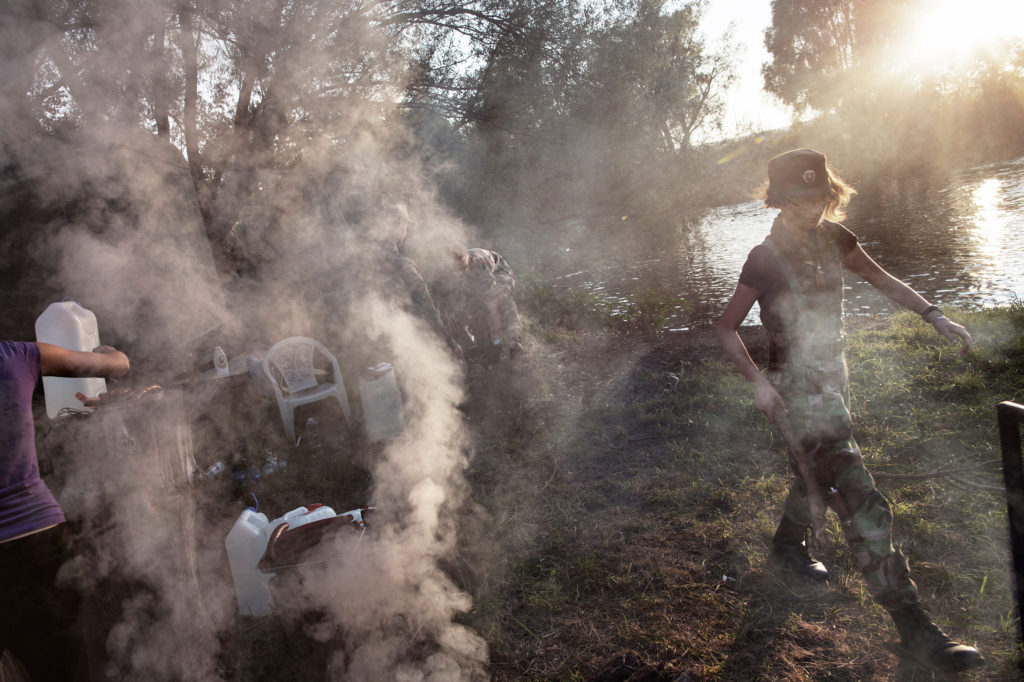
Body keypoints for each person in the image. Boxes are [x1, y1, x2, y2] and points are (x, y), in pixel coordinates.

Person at [715, 149, 982, 673]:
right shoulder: (763, 257)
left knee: (811, 472)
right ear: (777, 199)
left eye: (819, 198)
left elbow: (882, 279)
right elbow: (725, 328)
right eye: (798, 200)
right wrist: (758, 386)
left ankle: (786, 546)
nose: (810, 209)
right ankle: (913, 627)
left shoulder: (837, 238)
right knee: (855, 488)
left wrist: (934, 315)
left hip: (835, 376)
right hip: (795, 385)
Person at [0, 340, 130, 681]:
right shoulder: (16, 357)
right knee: (68, 670)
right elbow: (119, 366)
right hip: (38, 542)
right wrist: (110, 354)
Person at [441, 244, 524, 363]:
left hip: (499, 270)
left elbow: (492, 306)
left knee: (501, 298)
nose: (459, 271)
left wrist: (496, 339)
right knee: (472, 308)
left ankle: (514, 341)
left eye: (462, 267)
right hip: (471, 280)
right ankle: (482, 348)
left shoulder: (479, 265)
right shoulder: (448, 269)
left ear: (467, 259)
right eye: (456, 269)